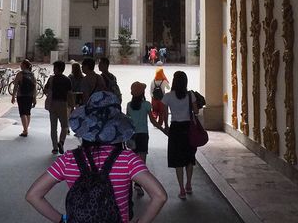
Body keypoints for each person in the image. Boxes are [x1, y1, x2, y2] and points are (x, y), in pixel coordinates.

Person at [26, 91, 167, 223]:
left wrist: (62, 220)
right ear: (117, 126)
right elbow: (160, 196)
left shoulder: (68, 159)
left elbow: (33, 195)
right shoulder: (127, 159)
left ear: (86, 125)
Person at [159, 70, 200, 199]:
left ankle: (181, 189)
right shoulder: (190, 95)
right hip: (188, 128)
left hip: (175, 129)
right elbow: (196, 111)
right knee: (189, 158)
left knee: (178, 160)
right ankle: (189, 184)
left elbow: (164, 114)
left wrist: (166, 127)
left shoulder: (168, 96)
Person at [125, 82, 161, 197]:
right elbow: (152, 120)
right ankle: (138, 184)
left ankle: (129, 183)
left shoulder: (129, 105)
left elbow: (127, 121)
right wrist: (163, 129)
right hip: (143, 135)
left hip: (132, 135)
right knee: (141, 161)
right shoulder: (146, 104)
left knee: (131, 160)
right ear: (143, 93)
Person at [45, 60, 73, 154]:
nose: (53, 70)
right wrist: (71, 105)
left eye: (54, 68)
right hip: (63, 104)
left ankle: (55, 147)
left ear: (56, 69)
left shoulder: (51, 79)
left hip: (52, 104)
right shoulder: (67, 80)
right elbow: (69, 94)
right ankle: (61, 142)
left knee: (53, 127)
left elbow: (45, 90)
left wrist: (49, 95)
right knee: (64, 126)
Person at [11, 59, 36, 137]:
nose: (20, 65)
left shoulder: (20, 74)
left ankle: (25, 130)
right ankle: (26, 129)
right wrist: (34, 98)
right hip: (30, 96)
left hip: (21, 96)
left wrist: (13, 96)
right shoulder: (32, 75)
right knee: (28, 112)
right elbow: (35, 87)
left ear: (24, 65)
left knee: (22, 113)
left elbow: (15, 86)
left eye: (21, 64)